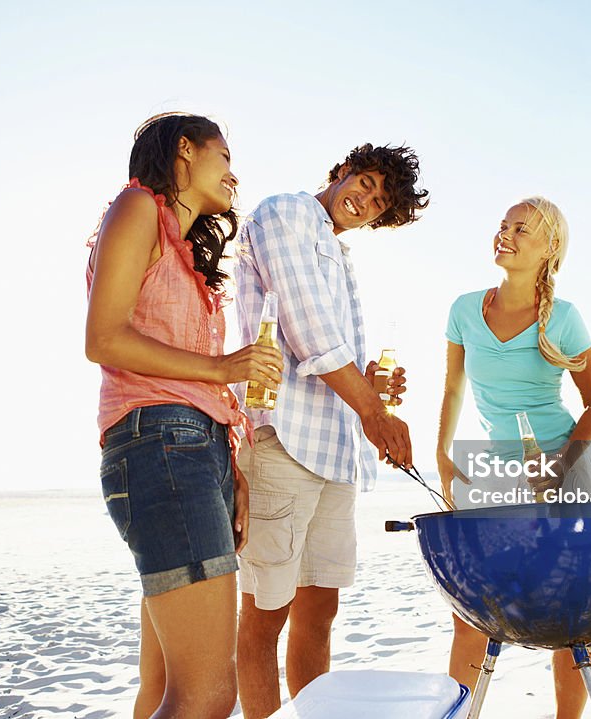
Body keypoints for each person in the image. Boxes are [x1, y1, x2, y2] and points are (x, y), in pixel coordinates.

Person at [84, 113, 283, 719]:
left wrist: (233, 469)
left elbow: (191, 381)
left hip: (194, 451)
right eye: (225, 155)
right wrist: (227, 369)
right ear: (184, 152)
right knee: (208, 696)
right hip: (162, 447)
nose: (234, 172)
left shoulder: (187, 253)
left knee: (164, 687)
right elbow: (104, 338)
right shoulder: (137, 207)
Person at [233, 143, 429, 718]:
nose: (364, 201)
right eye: (364, 183)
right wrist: (374, 411)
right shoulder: (287, 213)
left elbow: (331, 348)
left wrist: (369, 390)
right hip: (285, 440)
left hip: (334, 451)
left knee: (319, 614)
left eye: (379, 204)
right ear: (342, 172)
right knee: (266, 613)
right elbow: (307, 325)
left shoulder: (340, 256)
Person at [437, 196, 591, 718]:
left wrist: (562, 467)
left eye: (521, 230)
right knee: (472, 610)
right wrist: (442, 453)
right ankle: (460, 713)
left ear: (549, 249)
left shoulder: (565, 318)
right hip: (494, 473)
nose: (505, 235)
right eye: (503, 225)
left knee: (565, 611)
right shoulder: (466, 309)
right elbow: (452, 389)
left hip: (563, 468)